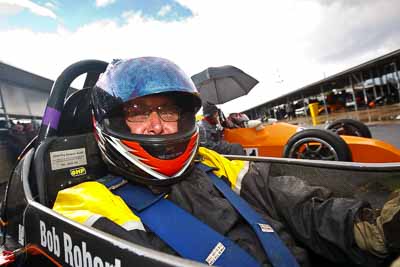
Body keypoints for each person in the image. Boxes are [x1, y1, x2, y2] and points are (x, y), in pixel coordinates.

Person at [52, 57, 399, 267]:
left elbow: (301, 205)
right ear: (109, 121)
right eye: (137, 112)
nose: (157, 125)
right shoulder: (85, 203)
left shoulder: (214, 163)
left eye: (168, 110)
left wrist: (373, 230)